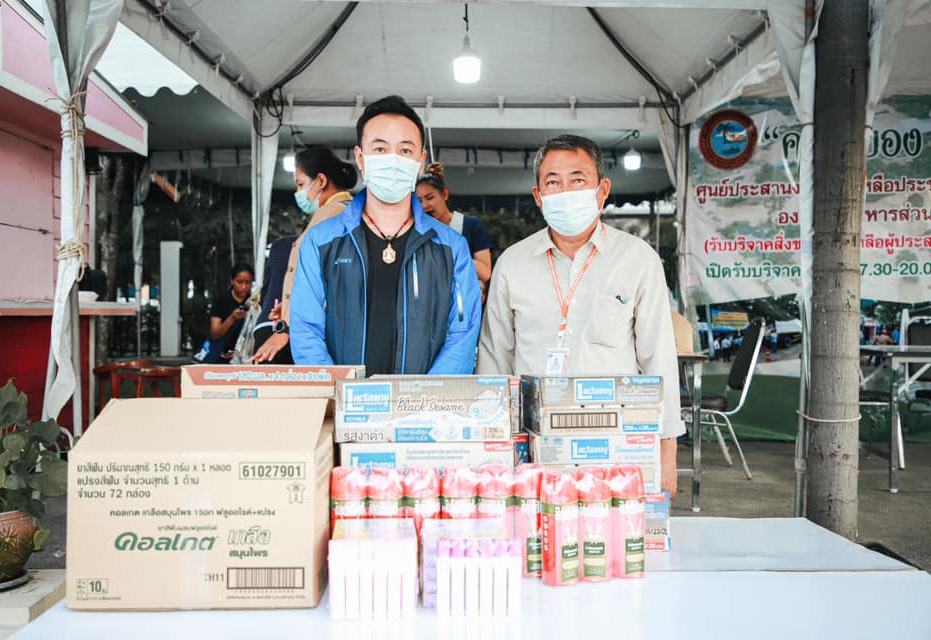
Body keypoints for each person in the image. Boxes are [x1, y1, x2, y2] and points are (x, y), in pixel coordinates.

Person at [476, 134, 683, 497]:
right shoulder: (511, 264)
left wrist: (667, 450)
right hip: (535, 449)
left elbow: (659, 357)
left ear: (602, 191)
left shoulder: (638, 260)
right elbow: (495, 359)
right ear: (538, 196)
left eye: (577, 180)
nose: (565, 191)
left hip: (618, 446)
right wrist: (493, 447)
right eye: (553, 182)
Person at [289, 95, 482, 375]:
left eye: (405, 150)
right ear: (360, 157)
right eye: (380, 149)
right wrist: (339, 391)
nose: (393, 160)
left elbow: (462, 332)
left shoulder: (452, 248)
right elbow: (306, 329)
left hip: (425, 401)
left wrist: (425, 395)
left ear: (420, 161)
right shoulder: (321, 242)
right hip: (343, 398)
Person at [252, 147, 358, 363]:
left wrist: (287, 326)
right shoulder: (337, 211)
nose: (298, 192)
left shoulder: (335, 213)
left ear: (321, 181)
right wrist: (289, 308)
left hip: (318, 331)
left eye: (300, 184)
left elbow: (324, 279)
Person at [415, 163, 493, 290]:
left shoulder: (471, 226)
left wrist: (451, 253)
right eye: (419, 201)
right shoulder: (418, 232)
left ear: (445, 194)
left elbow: (485, 273)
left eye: (430, 198)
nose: (424, 205)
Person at [251, 235, 297, 363]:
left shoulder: (278, 245)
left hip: (266, 321)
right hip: (297, 328)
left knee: (266, 373)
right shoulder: (315, 243)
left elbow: (265, 289)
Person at [200, 263, 253, 363]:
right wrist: (232, 318)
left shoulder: (254, 302)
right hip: (221, 357)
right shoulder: (221, 301)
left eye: (248, 282)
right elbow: (215, 334)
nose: (243, 286)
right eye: (239, 282)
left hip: (245, 357)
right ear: (232, 281)